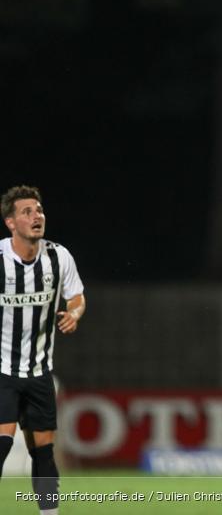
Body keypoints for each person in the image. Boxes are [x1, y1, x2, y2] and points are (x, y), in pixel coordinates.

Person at [0, 185, 86, 515]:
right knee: (2, 444)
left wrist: (74, 314)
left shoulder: (57, 256)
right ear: (10, 222)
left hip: (39, 372)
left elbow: (76, 296)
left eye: (39, 210)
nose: (37, 216)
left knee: (43, 452)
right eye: (27, 212)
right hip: (3, 370)